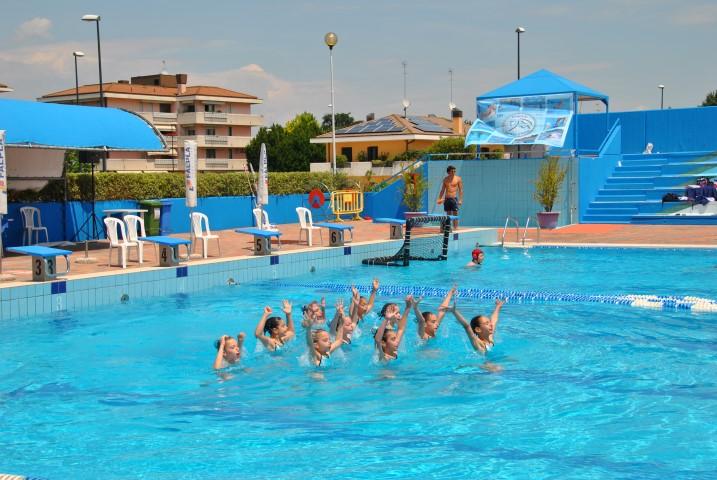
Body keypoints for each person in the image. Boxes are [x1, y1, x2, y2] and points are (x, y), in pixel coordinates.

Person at [374, 295, 411, 361]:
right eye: (396, 313)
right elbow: (378, 341)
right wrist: (386, 319)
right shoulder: (383, 357)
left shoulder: (394, 351)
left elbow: (401, 328)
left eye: (399, 312)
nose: (399, 315)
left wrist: (408, 307)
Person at [436, 165, 463, 230]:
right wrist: (439, 198)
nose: (453, 172)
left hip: (454, 198)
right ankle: (448, 227)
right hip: (447, 199)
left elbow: (461, 190)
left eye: (454, 171)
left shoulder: (458, 179)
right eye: (452, 171)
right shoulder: (445, 179)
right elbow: (442, 190)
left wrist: (460, 200)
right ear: (448, 172)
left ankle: (456, 227)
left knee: (455, 213)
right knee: (448, 214)